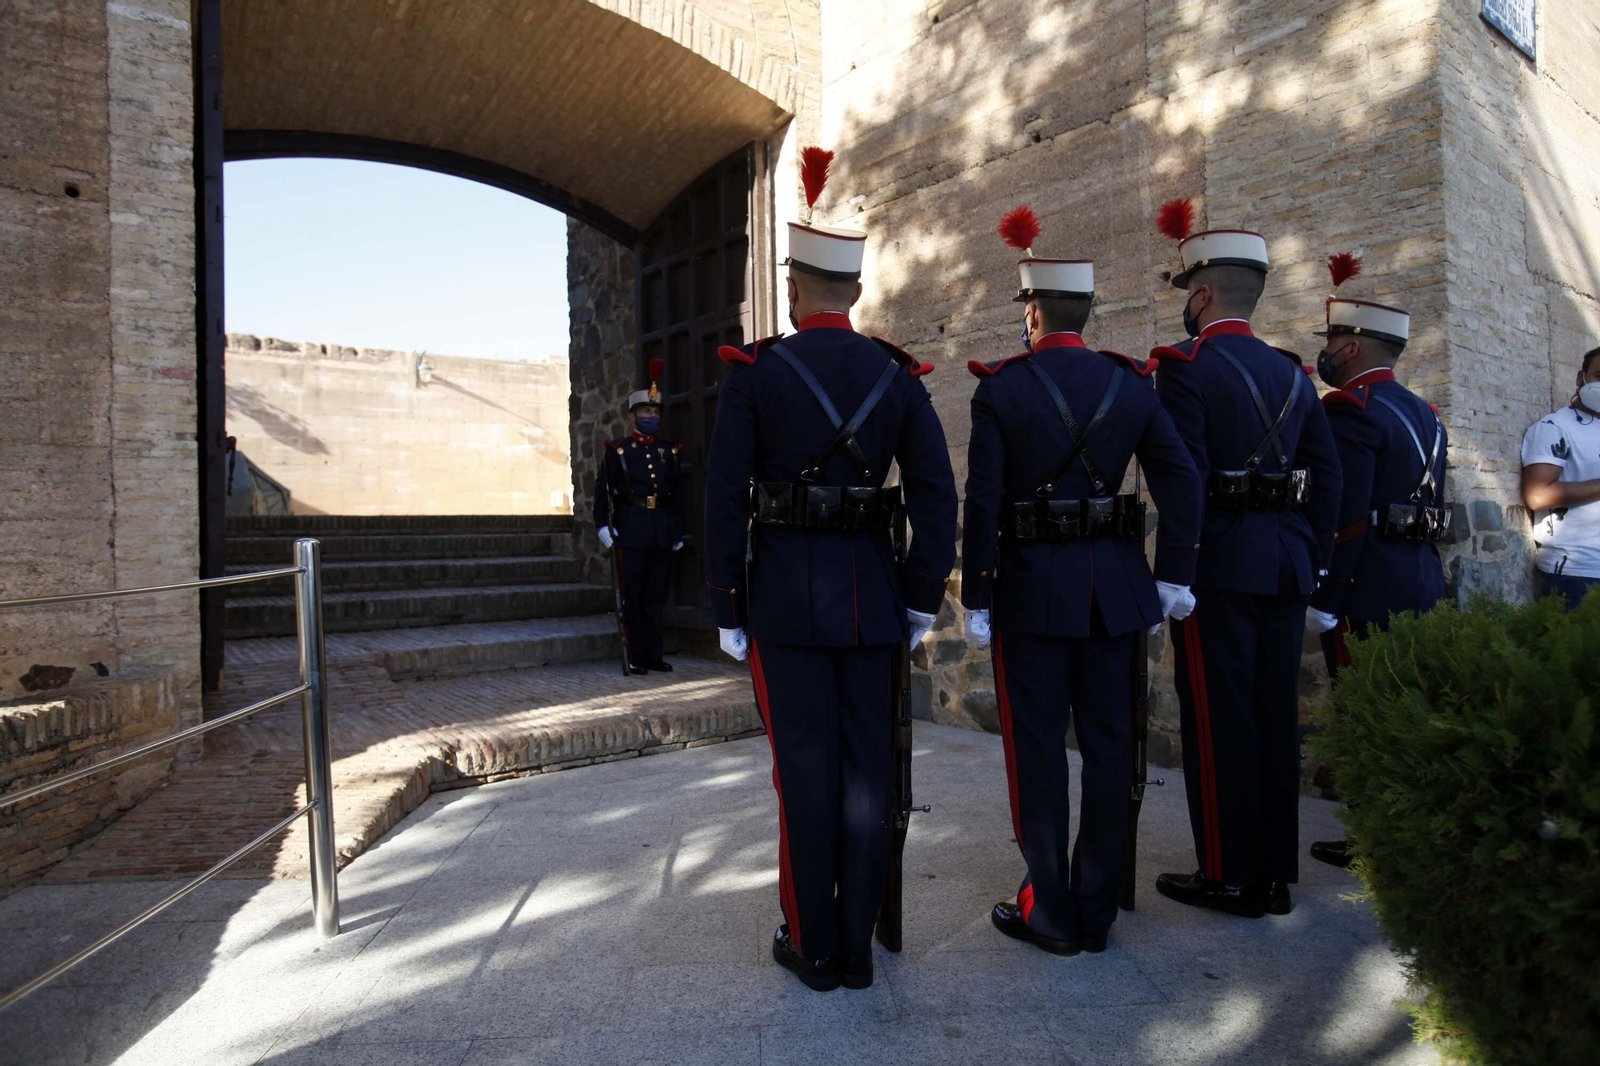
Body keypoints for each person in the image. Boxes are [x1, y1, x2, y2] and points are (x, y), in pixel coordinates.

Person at [702, 146, 958, 993]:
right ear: (850, 292)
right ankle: (855, 944)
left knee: (802, 774)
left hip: (781, 603)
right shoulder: (896, 376)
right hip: (874, 603)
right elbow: (936, 497)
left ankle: (814, 945)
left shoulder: (757, 373)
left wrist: (727, 605)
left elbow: (723, 497)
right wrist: (921, 601)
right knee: (864, 774)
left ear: (795, 286)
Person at [961, 207, 1202, 956]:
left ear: (1033, 314)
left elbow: (986, 499)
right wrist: (1171, 580)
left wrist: (976, 593)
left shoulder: (1001, 389)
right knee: (1108, 749)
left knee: (1036, 754)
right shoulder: (1133, 385)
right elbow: (1182, 483)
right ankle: (1095, 909)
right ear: (1088, 313)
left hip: (1032, 594)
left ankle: (1050, 912)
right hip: (1116, 594)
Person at [1146, 200, 1343, 919]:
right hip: (1287, 564)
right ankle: (1272, 876)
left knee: (1218, 718)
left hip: (1219, 569)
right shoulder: (1294, 375)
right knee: (1272, 719)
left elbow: (1184, 477)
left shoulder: (1186, 367)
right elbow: (1329, 476)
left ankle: (1227, 874)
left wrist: (1177, 571)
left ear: (1202, 295)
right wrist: (1314, 560)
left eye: (1186, 298)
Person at [1303, 258, 1448, 868]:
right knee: (1409, 708)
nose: (1328, 351)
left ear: (1354, 345)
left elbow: (1347, 516)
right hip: (1420, 578)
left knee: (1365, 714)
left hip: (1367, 586)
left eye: (1334, 340)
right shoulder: (1425, 413)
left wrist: (1326, 598)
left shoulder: (1350, 409)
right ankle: (1409, 827)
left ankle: (1375, 838)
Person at [592, 360, 683, 674]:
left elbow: (677, 495)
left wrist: (676, 531)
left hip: (660, 529)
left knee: (657, 596)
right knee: (634, 596)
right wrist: (603, 524)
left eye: (655, 413)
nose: (651, 418)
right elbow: (602, 489)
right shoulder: (618, 449)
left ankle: (653, 654)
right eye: (645, 413)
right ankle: (634, 655)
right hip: (631, 528)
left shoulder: (668, 451)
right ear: (632, 416)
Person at [1520, 344, 1600, 609]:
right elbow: (1537, 494)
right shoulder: (1554, 428)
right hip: (1577, 571)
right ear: (1581, 378)